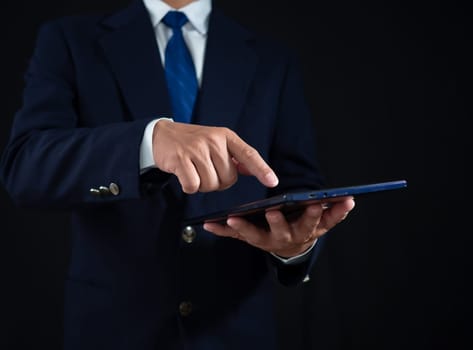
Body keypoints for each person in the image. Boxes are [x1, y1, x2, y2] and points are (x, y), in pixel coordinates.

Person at [0, 0, 355, 349]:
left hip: (236, 330)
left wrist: (296, 245)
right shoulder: (69, 40)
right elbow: (26, 167)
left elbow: (299, 183)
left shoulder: (273, 57)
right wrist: (147, 142)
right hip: (112, 331)